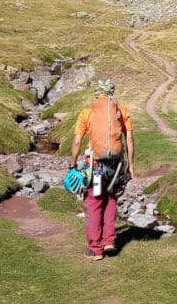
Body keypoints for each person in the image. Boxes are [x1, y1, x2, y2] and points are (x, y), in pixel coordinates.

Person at [70, 78, 136, 260]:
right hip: (116, 166)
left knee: (93, 203)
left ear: (97, 94)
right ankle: (109, 241)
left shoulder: (87, 112)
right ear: (112, 93)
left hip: (95, 165)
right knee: (111, 200)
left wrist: (72, 164)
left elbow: (77, 141)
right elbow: (129, 139)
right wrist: (131, 165)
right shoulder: (121, 111)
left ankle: (95, 249)